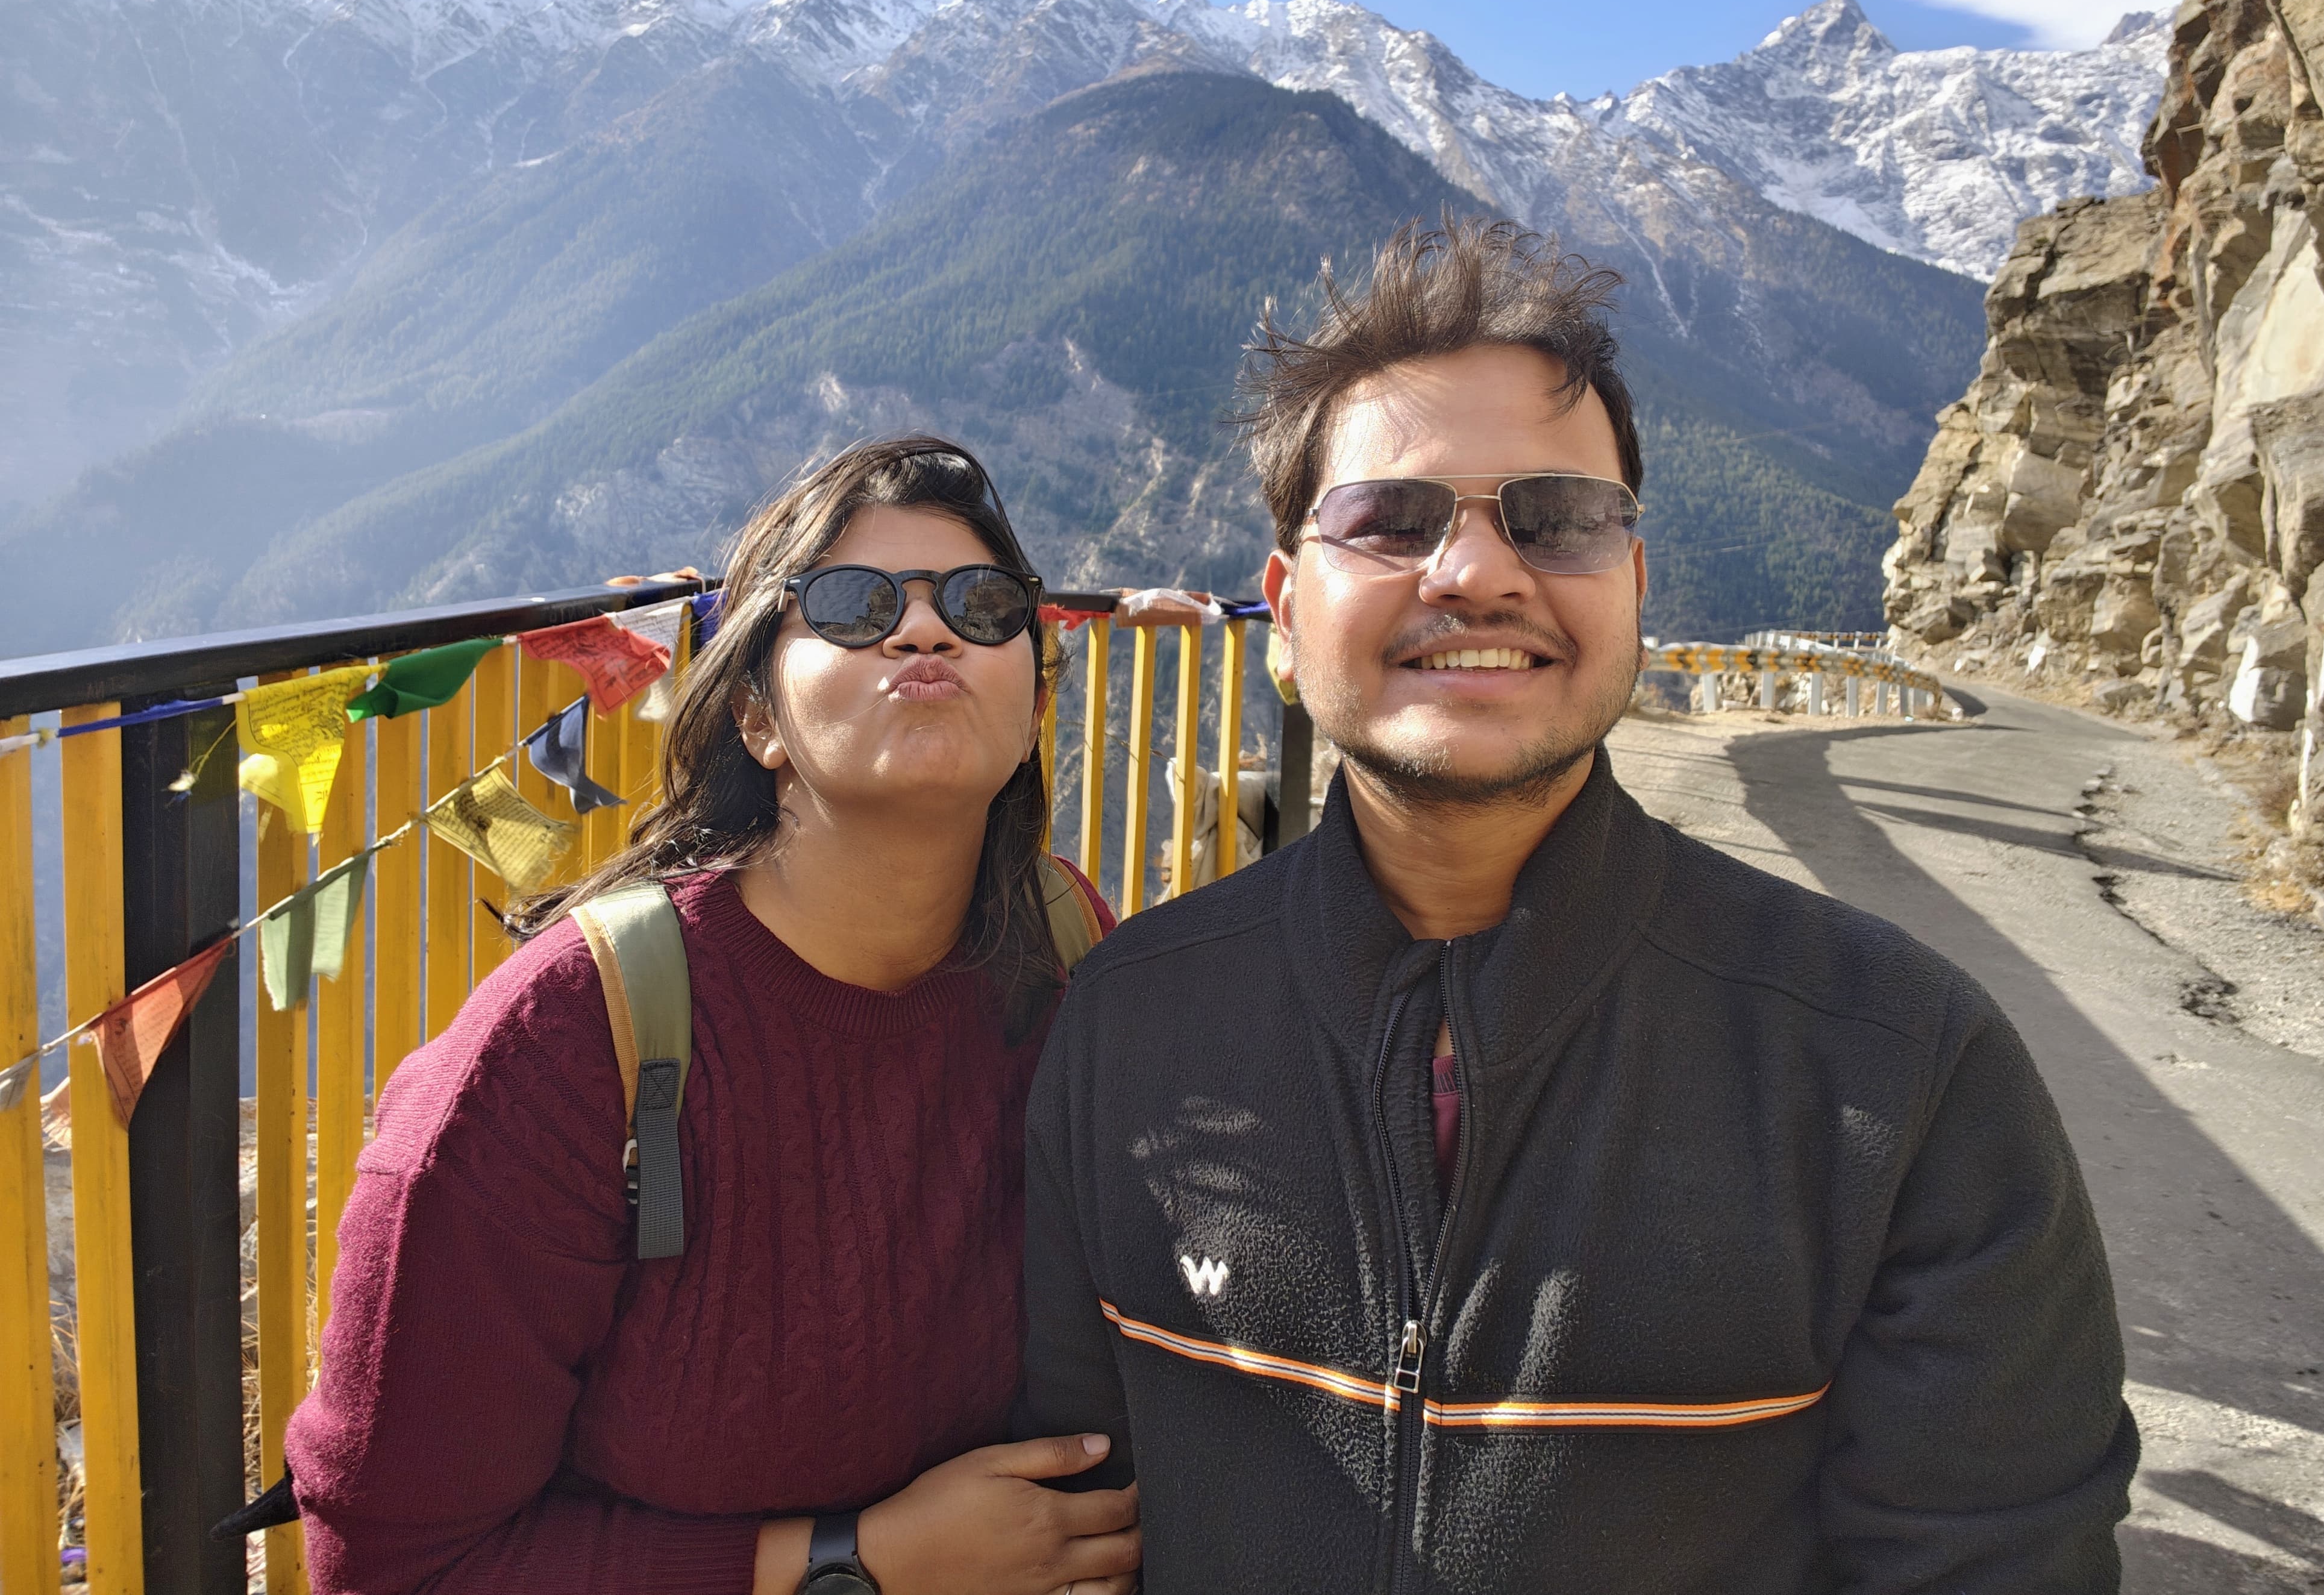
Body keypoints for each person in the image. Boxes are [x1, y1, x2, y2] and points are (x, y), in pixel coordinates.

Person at [1019, 218, 2137, 1591]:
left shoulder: (1896, 1071)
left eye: (1557, 519)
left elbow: (1996, 1558)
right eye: (1391, 520)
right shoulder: (1133, 1021)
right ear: (1286, 614)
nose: (1476, 573)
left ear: (1637, 589)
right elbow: (1064, 1509)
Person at [288, 438, 1142, 1595]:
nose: (927, 632)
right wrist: (859, 1567)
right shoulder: (561, 1056)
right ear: (757, 718)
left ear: (1034, 702)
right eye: (853, 605)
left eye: (985, 607)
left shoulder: (1064, 950)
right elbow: (389, 1564)